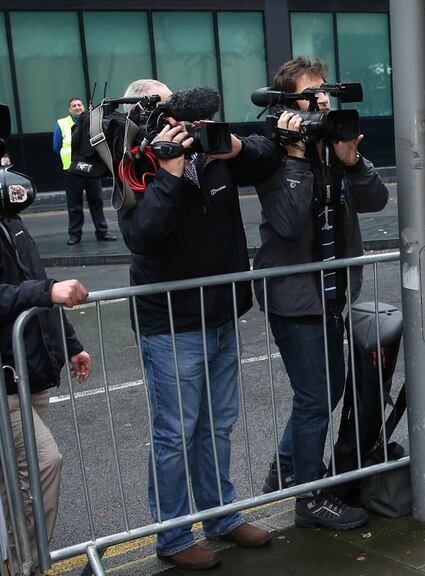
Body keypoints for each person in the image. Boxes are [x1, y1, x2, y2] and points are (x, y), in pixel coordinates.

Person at [117, 79, 279, 570]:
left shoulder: (209, 150)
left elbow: (266, 158)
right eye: (164, 111)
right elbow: (141, 236)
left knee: (218, 425)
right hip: (172, 323)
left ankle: (221, 515)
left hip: (222, 314)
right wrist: (168, 173)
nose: (178, 121)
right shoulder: (134, 165)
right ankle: (171, 536)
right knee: (175, 433)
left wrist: (230, 145)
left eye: (179, 110)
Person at [254, 56, 387, 531]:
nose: (322, 100)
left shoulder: (334, 147)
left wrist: (353, 162)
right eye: (312, 94)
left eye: (325, 91)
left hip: (331, 294)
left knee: (325, 392)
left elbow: (376, 201)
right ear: (288, 103)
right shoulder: (273, 153)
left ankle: (287, 467)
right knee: (315, 397)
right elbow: (288, 225)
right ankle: (308, 497)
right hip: (295, 296)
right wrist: (295, 157)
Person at [1, 173, 91, 565]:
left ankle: (18, 561)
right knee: (43, 462)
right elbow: (39, 289)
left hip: (29, 372)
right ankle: (29, 564)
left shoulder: (12, 220)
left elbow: (36, 283)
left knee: (15, 479)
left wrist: (70, 344)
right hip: (6, 378)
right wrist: (45, 291)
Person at [52, 98, 116, 246]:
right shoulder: (62, 124)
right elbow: (56, 146)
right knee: (74, 205)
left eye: (79, 105)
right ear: (70, 110)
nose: (77, 107)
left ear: (84, 107)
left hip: (91, 169)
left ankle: (102, 232)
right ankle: (75, 235)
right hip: (72, 170)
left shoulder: (92, 122)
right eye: (73, 106)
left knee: (97, 202)